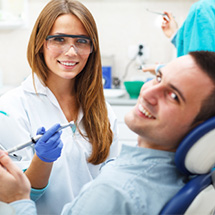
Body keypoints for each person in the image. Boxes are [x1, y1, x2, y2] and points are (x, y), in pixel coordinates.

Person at [1, 50, 215, 215]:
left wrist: (18, 200)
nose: (149, 92)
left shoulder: (115, 192)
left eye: (174, 96)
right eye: (158, 78)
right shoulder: (183, 177)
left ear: (203, 128)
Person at [0, 0, 119, 214]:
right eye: (59, 39)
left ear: (92, 48)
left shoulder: (104, 111)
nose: (71, 52)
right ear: (40, 43)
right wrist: (42, 161)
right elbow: (16, 197)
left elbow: (112, 181)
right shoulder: (11, 108)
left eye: (82, 41)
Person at [143, 0, 215, 74]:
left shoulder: (203, 8)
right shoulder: (206, 9)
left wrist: (163, 70)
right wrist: (175, 36)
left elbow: (201, 69)